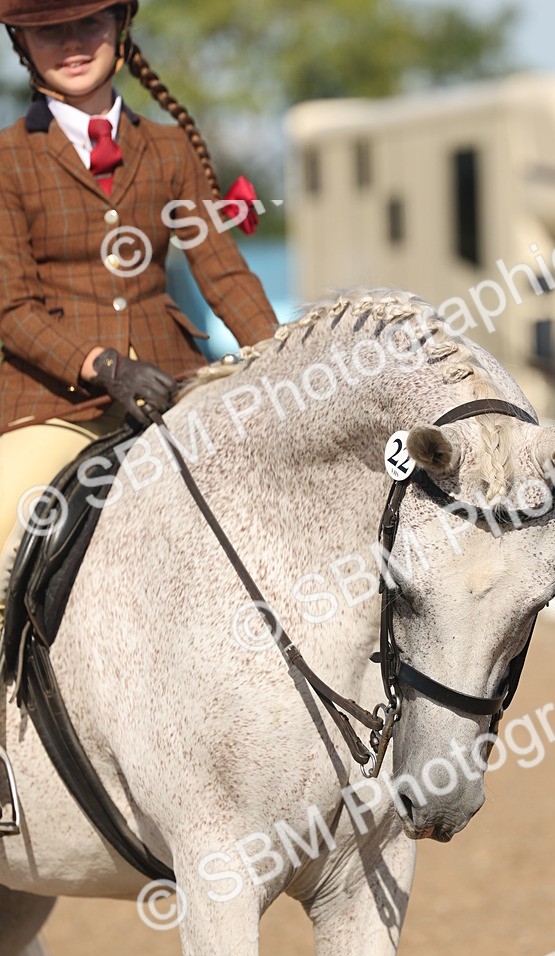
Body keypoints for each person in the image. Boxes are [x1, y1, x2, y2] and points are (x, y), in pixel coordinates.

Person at [0, 0, 279, 826]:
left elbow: (223, 272)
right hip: (53, 401)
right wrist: (100, 365)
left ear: (121, 29)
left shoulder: (166, 148)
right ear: (23, 45)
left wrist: (286, 360)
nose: (73, 45)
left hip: (169, 385)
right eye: (51, 31)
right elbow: (9, 305)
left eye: (88, 25)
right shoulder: (8, 161)